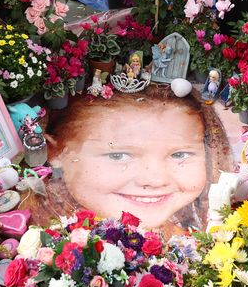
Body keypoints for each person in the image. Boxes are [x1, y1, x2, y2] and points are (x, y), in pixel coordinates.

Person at [29, 87, 232, 234]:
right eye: (118, 155)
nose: (154, 180)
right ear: (55, 152)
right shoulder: (35, 244)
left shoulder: (202, 242)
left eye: (179, 155)